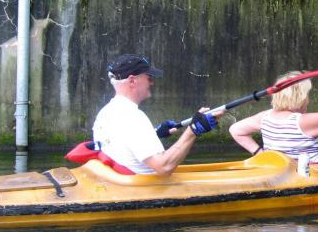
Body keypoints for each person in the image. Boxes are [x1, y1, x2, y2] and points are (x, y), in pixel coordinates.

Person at [92, 54, 222, 175]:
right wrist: (194, 130)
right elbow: (164, 167)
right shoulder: (133, 117)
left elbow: (123, 145)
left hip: (119, 184)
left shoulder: (105, 113)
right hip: (142, 188)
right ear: (132, 81)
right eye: (149, 78)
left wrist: (155, 133)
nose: (152, 83)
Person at [229, 66, 318, 164]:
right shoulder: (304, 122)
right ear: (300, 98)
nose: (308, 100)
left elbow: (235, 130)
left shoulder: (264, 117)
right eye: (307, 95)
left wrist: (261, 154)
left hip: (284, 169)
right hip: (315, 173)